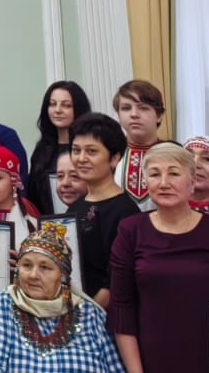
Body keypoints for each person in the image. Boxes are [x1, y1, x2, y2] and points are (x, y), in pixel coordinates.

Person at [107, 143, 209, 373]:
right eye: (155, 174)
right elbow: (122, 308)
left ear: (192, 182)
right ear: (146, 182)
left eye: (174, 173)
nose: (164, 183)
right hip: (155, 362)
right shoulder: (130, 231)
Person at [0, 222, 124, 373]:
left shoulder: (90, 313)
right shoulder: (4, 304)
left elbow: (117, 369)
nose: (33, 275)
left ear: (63, 276)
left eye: (45, 267)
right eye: (27, 265)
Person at [65, 113, 138, 306]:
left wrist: (89, 312)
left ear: (114, 158)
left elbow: (115, 279)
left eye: (91, 151)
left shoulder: (126, 212)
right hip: (73, 308)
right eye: (76, 150)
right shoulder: (74, 207)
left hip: (104, 314)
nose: (81, 158)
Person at [26, 82, 91, 216]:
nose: (58, 110)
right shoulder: (41, 151)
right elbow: (33, 195)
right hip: (48, 223)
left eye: (66, 105)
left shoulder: (89, 149)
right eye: (52, 104)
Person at [110, 81, 166, 212]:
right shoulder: (109, 155)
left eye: (143, 108)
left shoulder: (175, 156)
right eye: (126, 108)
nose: (134, 114)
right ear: (118, 115)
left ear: (159, 116)